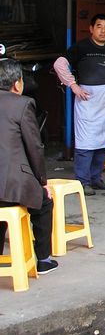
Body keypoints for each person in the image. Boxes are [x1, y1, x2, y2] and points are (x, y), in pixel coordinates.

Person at [53, 13, 105, 196]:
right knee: (85, 143)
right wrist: (73, 86)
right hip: (87, 100)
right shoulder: (81, 47)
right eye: (99, 26)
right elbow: (59, 64)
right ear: (92, 29)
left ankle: (96, 179)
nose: (103, 31)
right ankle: (82, 181)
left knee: (103, 142)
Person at [0, 58, 58, 275]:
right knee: (44, 202)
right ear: (17, 83)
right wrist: (43, 182)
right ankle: (43, 259)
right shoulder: (22, 104)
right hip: (11, 184)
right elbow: (35, 148)